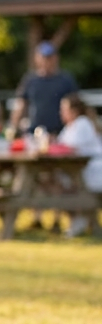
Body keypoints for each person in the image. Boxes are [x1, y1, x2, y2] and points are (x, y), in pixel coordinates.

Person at [10, 41, 78, 139]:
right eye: (44, 57)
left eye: (50, 57)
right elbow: (21, 104)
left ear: (56, 58)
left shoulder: (66, 80)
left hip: (61, 133)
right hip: (35, 133)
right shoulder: (30, 80)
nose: (47, 61)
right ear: (37, 58)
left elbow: (77, 105)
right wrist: (14, 126)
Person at [57, 93, 102, 238]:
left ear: (74, 111)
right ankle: (78, 218)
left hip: (93, 172)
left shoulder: (82, 123)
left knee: (59, 182)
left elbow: (70, 149)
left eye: (64, 109)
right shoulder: (69, 127)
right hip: (79, 172)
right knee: (51, 180)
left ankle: (79, 217)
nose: (61, 113)